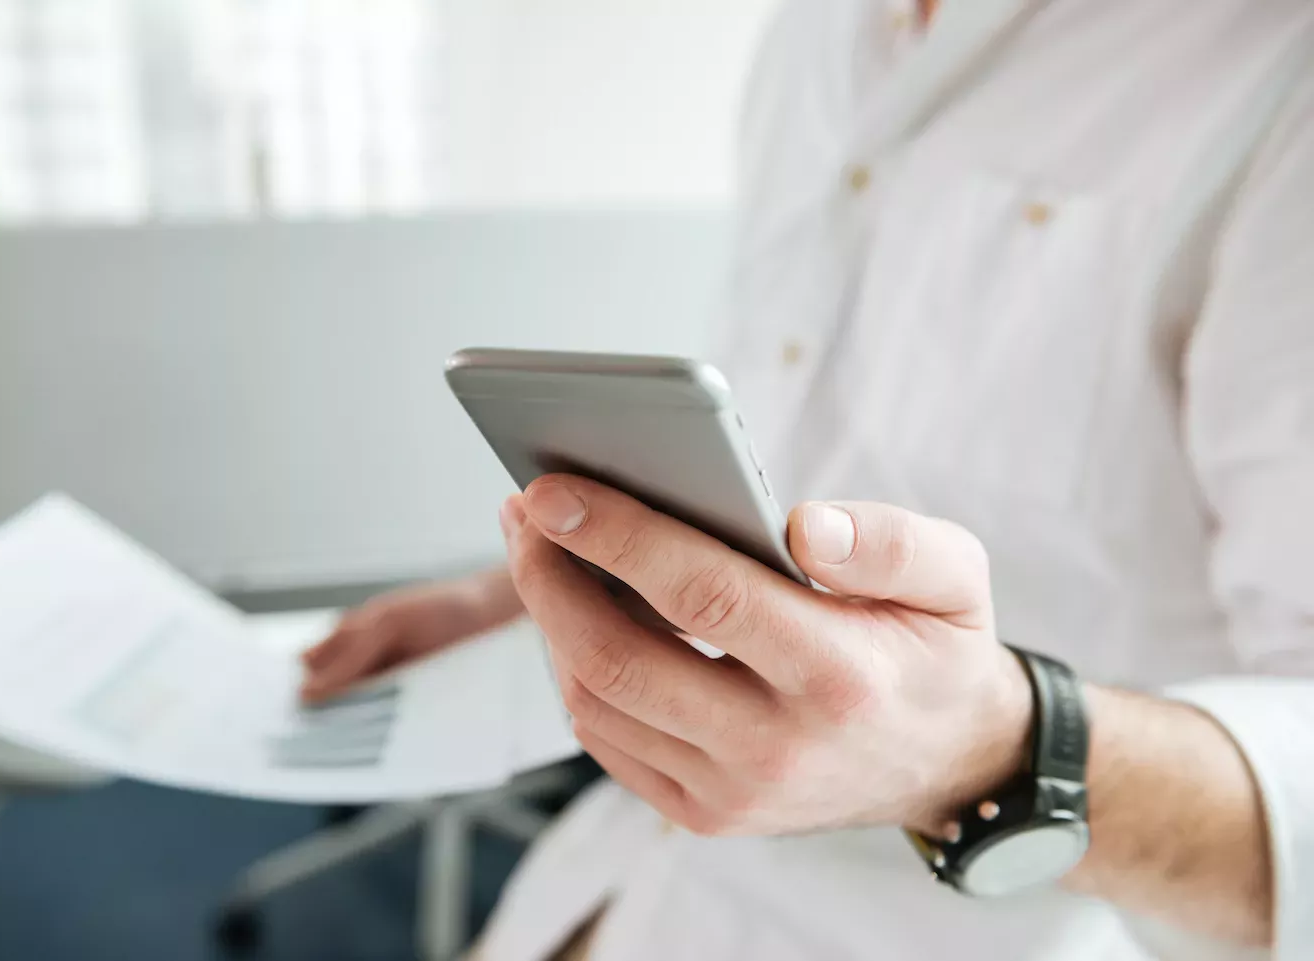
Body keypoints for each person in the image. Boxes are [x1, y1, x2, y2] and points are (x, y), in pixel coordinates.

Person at [301, 1, 1314, 957]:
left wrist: (991, 756)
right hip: (626, 884)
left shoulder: (1277, 69)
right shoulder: (819, 32)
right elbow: (795, 456)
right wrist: (519, 595)